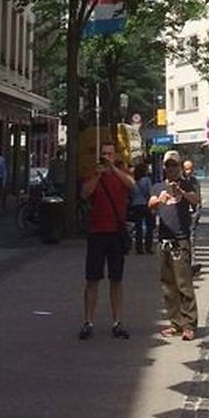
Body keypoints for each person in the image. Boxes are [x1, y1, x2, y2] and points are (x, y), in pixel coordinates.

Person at [78, 139, 135, 340]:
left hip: (116, 233)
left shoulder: (122, 174)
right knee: (92, 279)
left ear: (115, 155)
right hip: (97, 233)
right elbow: (85, 194)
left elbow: (132, 185)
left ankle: (118, 321)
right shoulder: (93, 174)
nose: (107, 157)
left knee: (116, 279)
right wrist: (99, 173)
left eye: (110, 153)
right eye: (104, 154)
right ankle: (88, 321)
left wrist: (114, 169)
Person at [150, 150, 199, 340]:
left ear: (179, 167)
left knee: (184, 283)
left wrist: (183, 193)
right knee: (168, 284)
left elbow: (196, 202)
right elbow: (150, 205)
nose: (171, 169)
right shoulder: (157, 187)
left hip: (181, 239)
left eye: (174, 165)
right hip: (164, 239)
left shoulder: (188, 184)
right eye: (168, 166)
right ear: (164, 167)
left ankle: (189, 324)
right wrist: (158, 200)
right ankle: (175, 322)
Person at [181, 158, 203, 270]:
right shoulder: (179, 181)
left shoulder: (195, 181)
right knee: (184, 238)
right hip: (182, 214)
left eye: (191, 169)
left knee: (192, 237)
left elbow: (198, 197)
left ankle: (192, 262)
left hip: (193, 213)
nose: (189, 171)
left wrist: (198, 209)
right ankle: (185, 262)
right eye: (186, 169)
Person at [129, 161, 155, 255]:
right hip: (146, 204)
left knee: (138, 227)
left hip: (136, 205)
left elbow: (131, 193)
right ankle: (148, 247)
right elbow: (150, 192)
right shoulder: (147, 180)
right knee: (149, 227)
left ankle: (139, 247)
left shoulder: (133, 180)